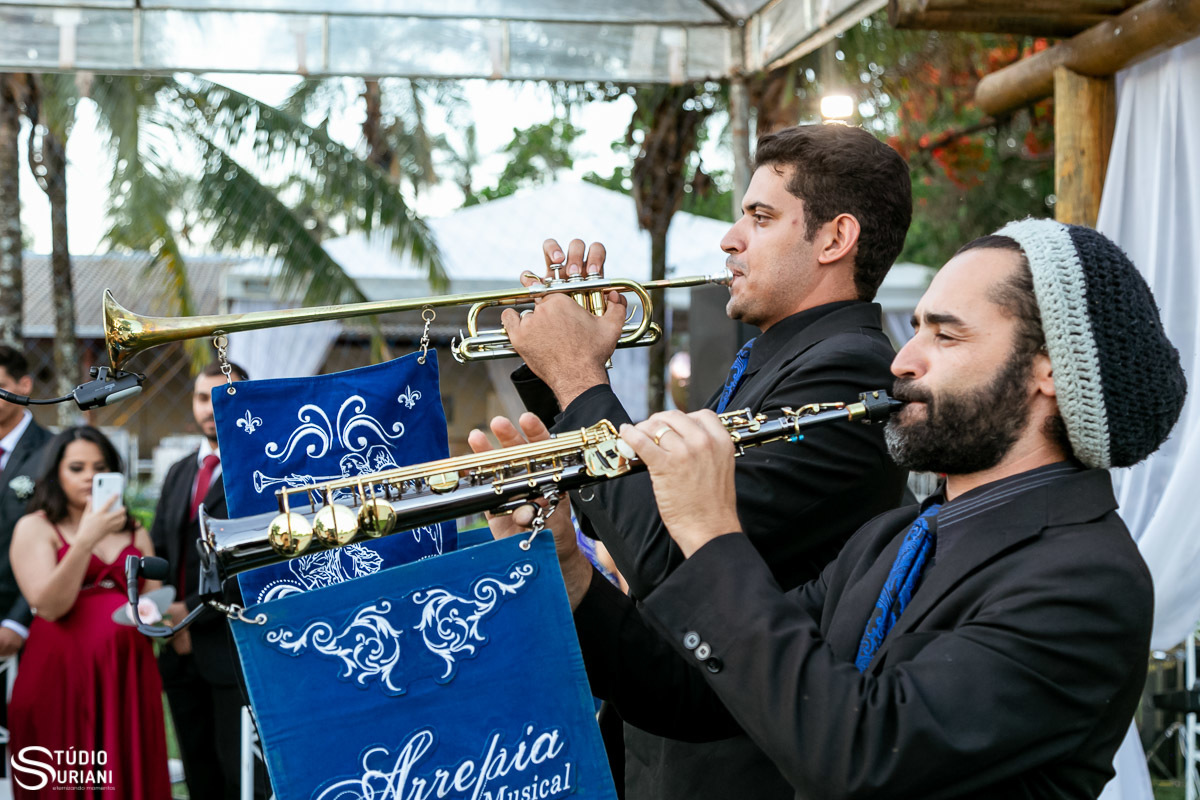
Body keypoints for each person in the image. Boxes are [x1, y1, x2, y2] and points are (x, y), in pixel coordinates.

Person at [495, 219, 1184, 799]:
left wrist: (710, 531)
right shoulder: (897, 537)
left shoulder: (1086, 580)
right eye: (915, 331)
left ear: (1050, 372)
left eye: (946, 337)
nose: (903, 361)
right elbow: (699, 688)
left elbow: (859, 758)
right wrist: (573, 584)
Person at [480, 123, 913, 798]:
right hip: (665, 736)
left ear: (835, 238)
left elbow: (670, 552)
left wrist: (577, 378)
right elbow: (627, 525)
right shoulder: (776, 360)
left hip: (733, 769)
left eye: (760, 217)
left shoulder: (847, 376)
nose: (729, 238)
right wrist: (559, 382)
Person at [8, 426, 170, 798]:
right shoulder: (35, 527)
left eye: (101, 467)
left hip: (127, 675)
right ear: (56, 474)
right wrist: (85, 540)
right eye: (77, 468)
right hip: (61, 675)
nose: (90, 477)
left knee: (128, 775)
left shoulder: (134, 530)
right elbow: (49, 606)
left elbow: (153, 602)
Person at [151, 360, 266, 799]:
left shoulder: (259, 473)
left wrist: (192, 615)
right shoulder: (181, 470)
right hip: (178, 654)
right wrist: (163, 610)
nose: (210, 408)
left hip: (231, 648)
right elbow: (162, 546)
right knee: (199, 775)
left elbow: (257, 563)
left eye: (222, 397)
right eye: (203, 397)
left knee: (242, 777)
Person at [0, 346, 48, 657]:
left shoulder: (52, 452)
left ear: (24, 386)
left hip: (21, 623)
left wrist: (18, 622)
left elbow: (56, 540)